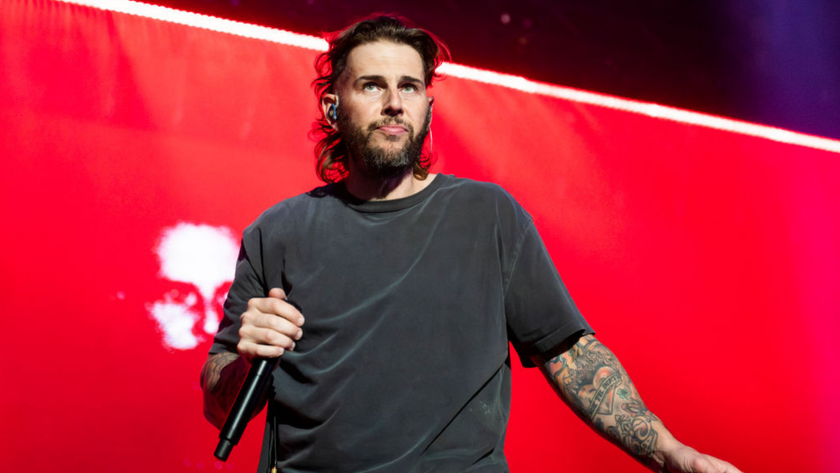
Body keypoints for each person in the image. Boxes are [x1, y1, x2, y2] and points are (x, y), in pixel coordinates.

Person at [201, 14, 742, 473]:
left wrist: (672, 454)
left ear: (428, 109)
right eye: (371, 85)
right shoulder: (280, 230)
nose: (394, 103)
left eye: (409, 87)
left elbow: (569, 355)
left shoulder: (488, 216)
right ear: (333, 108)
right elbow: (217, 402)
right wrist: (247, 359)